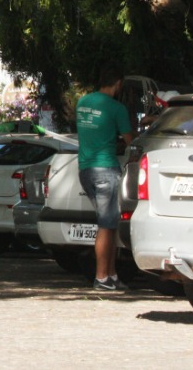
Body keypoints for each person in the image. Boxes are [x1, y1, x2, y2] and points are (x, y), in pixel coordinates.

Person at [76, 63, 135, 291]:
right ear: (118, 83)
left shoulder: (83, 103)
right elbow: (131, 141)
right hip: (105, 170)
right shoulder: (116, 108)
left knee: (109, 224)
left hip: (85, 170)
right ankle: (101, 278)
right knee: (106, 224)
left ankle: (111, 275)